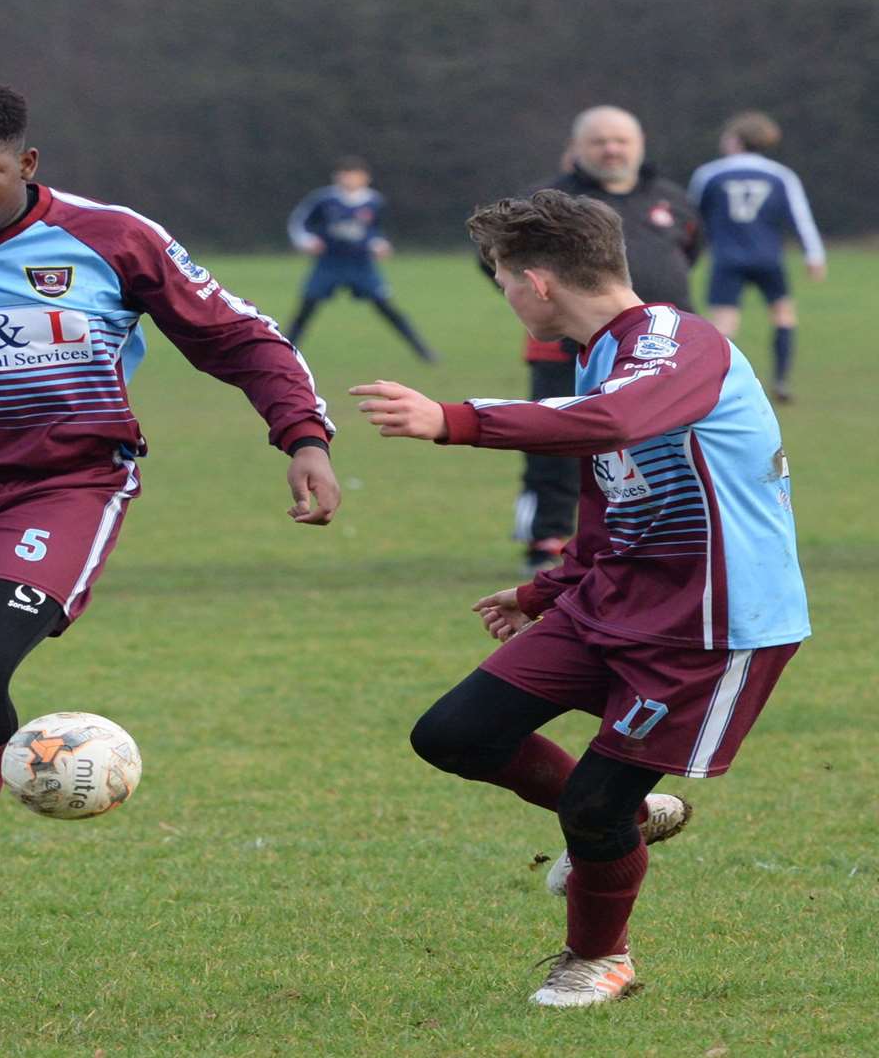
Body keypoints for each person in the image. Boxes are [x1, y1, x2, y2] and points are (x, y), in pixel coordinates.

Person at [0, 82, 339, 953]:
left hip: (59, 490)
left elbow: (241, 338)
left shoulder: (113, 238)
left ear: (26, 164)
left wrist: (302, 436)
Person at [352, 189, 807, 1007]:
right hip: (614, 600)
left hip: (709, 621)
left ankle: (601, 961)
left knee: (595, 805)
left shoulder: (678, 341)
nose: (504, 297)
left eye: (499, 280)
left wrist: (456, 419)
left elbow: (611, 423)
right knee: (455, 733)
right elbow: (613, 498)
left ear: (536, 281)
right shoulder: (602, 353)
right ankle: (626, 822)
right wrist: (544, 589)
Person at [509, 107, 702, 571]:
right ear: (577, 147)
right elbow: (505, 265)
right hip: (567, 347)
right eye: (600, 141)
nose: (612, 149)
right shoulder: (547, 201)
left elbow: (690, 251)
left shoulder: (673, 200)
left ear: (640, 145)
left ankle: (664, 536)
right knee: (555, 439)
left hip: (664, 351)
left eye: (621, 140)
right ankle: (547, 538)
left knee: (670, 446)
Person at [687, 111, 826, 402]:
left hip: (726, 258)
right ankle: (781, 380)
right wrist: (814, 254)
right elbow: (801, 217)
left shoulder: (710, 173)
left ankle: (720, 386)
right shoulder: (781, 175)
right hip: (768, 258)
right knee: (783, 315)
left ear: (735, 140)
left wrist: (684, 254)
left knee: (724, 324)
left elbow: (690, 218)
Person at [283, 157, 435, 362]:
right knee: (307, 307)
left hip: (361, 265)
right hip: (329, 263)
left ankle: (423, 351)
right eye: (346, 174)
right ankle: (283, 351)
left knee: (386, 307)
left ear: (366, 178)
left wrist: (380, 244)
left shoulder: (374, 201)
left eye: (355, 175)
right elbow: (299, 222)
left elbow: (377, 231)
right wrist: (306, 241)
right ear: (337, 176)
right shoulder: (324, 200)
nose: (350, 179)